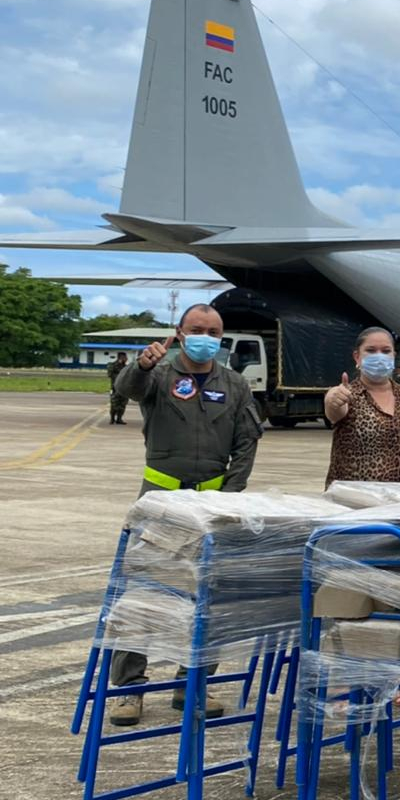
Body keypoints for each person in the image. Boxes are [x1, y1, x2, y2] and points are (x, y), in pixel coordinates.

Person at [107, 304, 263, 726]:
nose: (205, 337)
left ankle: (192, 684)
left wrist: (230, 498)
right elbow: (128, 388)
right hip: (160, 502)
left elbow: (247, 442)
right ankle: (129, 688)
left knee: (209, 596)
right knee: (142, 594)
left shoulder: (234, 384)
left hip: (212, 506)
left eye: (213, 331)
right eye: (197, 329)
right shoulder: (158, 375)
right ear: (179, 332)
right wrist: (142, 364)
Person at [325, 327, 400, 486]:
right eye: (371, 351)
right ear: (357, 357)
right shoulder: (347, 395)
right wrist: (333, 400)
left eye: (386, 351)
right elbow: (334, 410)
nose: (379, 356)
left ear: (394, 356)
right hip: (357, 499)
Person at [106, 352, 130, 424]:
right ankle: (112, 419)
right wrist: (118, 364)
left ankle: (119, 419)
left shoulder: (126, 367)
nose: (126, 359)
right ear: (121, 357)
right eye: (125, 357)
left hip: (124, 388)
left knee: (123, 404)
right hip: (115, 388)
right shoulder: (112, 365)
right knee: (114, 404)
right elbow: (109, 374)